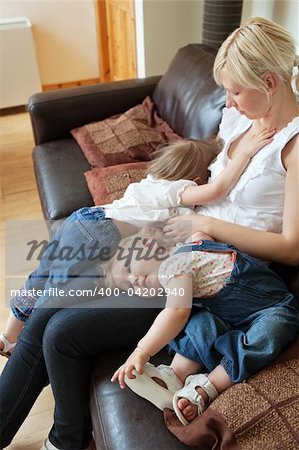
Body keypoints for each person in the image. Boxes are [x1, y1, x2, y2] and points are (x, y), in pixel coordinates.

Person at [0, 16, 298, 450]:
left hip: (216, 275)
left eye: (235, 91)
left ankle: (64, 436)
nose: (228, 103)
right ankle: (57, 434)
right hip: (173, 246)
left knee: (58, 325)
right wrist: (159, 210)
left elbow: (290, 249)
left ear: (269, 82)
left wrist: (203, 224)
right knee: (51, 304)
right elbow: (212, 176)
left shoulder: (294, 146)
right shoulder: (241, 120)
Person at [0, 132, 274, 358]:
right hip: (102, 232)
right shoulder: (177, 191)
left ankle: (10, 334)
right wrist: (242, 156)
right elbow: (217, 191)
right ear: (196, 179)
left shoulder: (151, 183)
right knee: (56, 292)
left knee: (43, 274)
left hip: (84, 219)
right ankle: (28, 347)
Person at [110, 230, 298, 425]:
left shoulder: (173, 267)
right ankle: (174, 376)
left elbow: (176, 311)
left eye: (129, 267)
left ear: (147, 244)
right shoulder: (190, 246)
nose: (133, 280)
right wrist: (199, 237)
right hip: (231, 316)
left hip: (274, 307)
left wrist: (142, 351)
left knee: (270, 331)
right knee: (200, 322)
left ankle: (208, 385)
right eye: (129, 287)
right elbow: (203, 237)